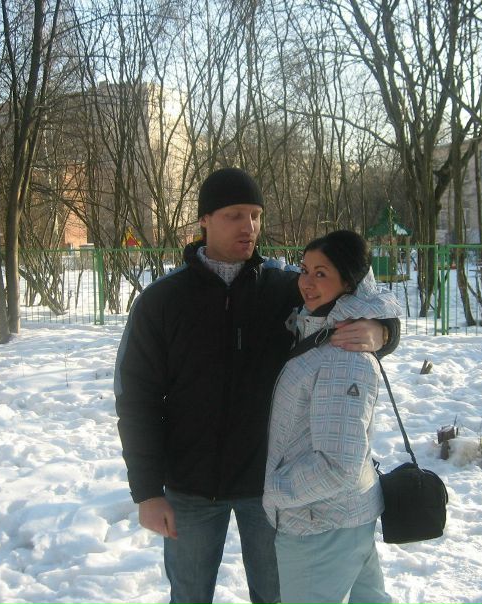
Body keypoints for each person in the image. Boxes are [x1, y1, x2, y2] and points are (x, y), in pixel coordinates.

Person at [114, 167, 400, 604]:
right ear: (204, 220)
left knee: (274, 597)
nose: (248, 226)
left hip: (268, 487)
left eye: (255, 215)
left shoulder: (287, 288)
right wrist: (148, 491)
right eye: (234, 215)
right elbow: (136, 399)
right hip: (190, 486)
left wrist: (384, 331)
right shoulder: (162, 300)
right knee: (188, 597)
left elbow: (358, 292)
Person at [263, 230, 397, 604]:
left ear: (349, 282)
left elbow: (339, 466)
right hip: (344, 518)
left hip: (318, 527)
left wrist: (276, 491)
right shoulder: (320, 328)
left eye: (321, 273)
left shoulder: (343, 354)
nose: (306, 282)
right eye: (305, 270)